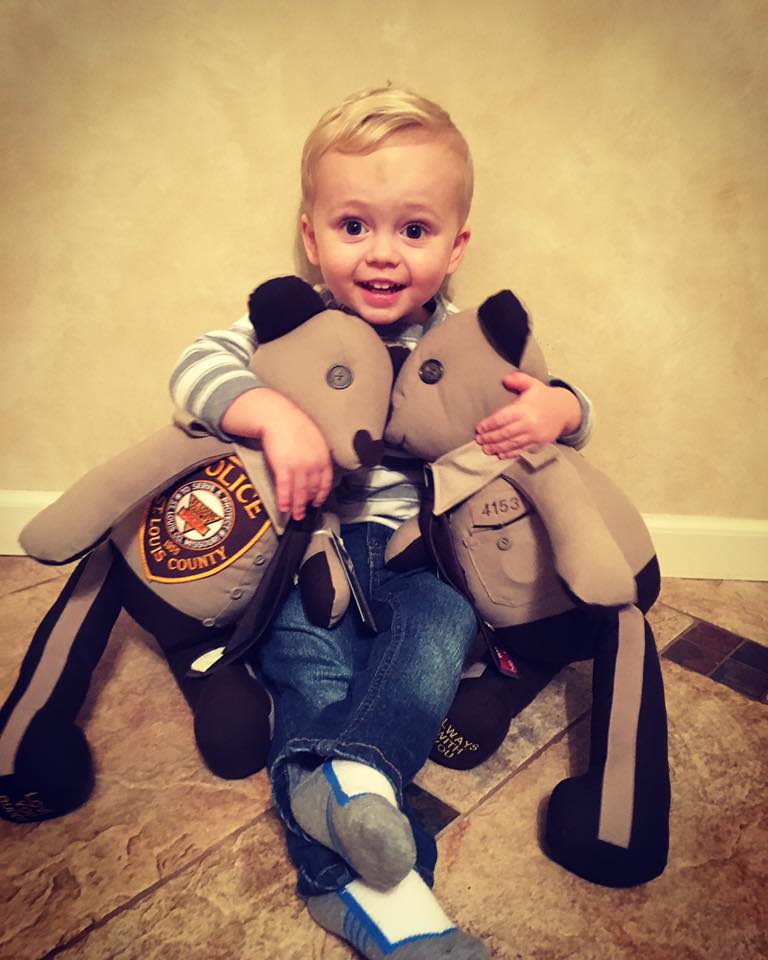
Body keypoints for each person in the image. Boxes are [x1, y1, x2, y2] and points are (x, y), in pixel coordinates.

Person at [170, 86, 592, 960]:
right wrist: (270, 414)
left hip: (417, 552)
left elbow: (557, 397)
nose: (382, 256)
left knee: (440, 632)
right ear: (311, 235)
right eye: (354, 226)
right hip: (308, 552)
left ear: (455, 245)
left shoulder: (466, 336)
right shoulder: (288, 321)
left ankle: (348, 776)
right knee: (306, 668)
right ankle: (397, 912)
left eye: (414, 230)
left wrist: (559, 408)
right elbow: (194, 366)